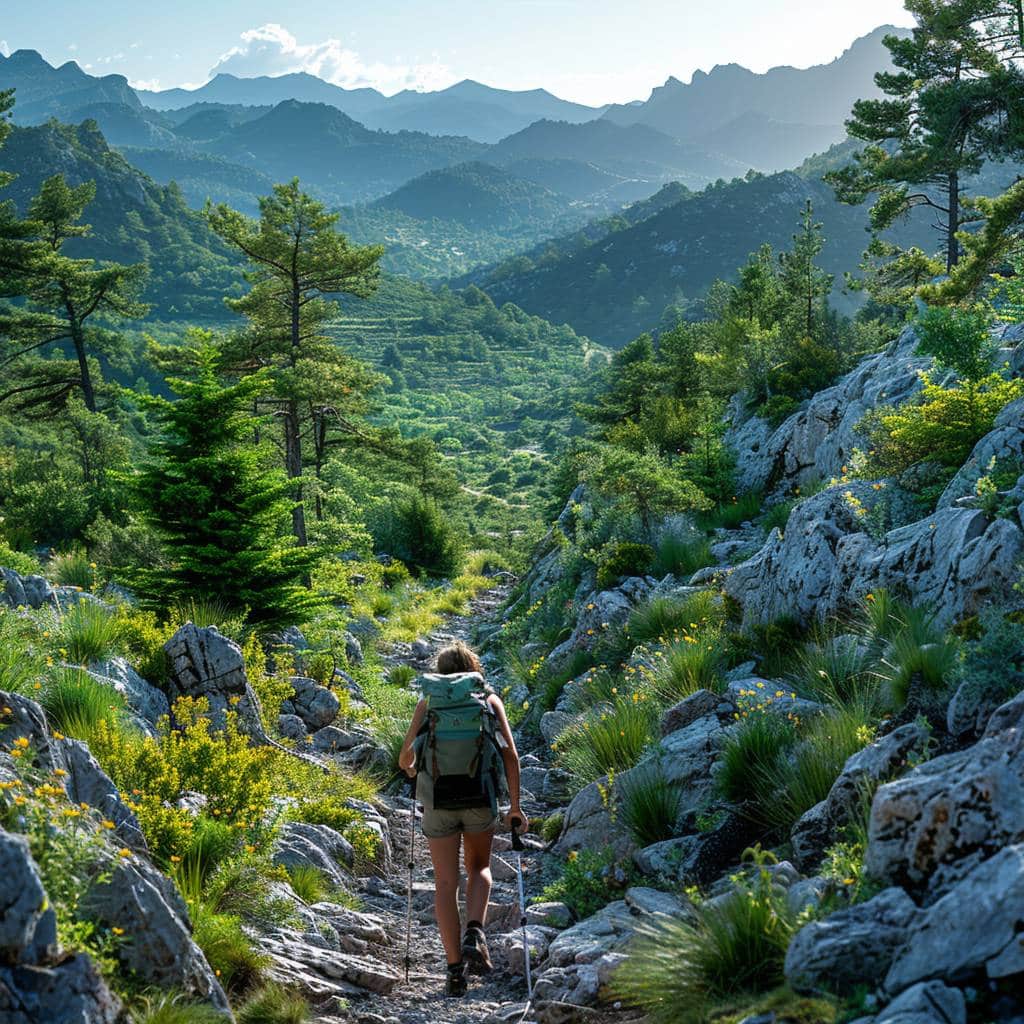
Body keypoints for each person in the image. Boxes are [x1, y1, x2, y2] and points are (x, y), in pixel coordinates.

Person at [398, 641, 527, 997]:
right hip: (479, 798)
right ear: (473, 669)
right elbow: (510, 756)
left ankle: (454, 972)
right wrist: (514, 808)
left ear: (438, 674)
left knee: (444, 883)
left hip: (438, 801)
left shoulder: (428, 704)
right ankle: (475, 930)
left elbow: (404, 760)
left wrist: (415, 770)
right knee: (479, 868)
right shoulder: (488, 702)